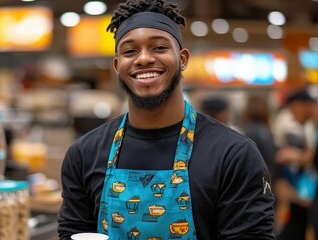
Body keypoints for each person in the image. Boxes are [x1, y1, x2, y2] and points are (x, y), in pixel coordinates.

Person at [57, 0, 275, 239]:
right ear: (118, 66)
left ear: (182, 59)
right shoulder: (84, 154)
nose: (143, 59)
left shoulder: (233, 155)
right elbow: (73, 233)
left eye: (159, 48)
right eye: (130, 51)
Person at [272, 89, 317, 240]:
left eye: (292, 111)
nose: (293, 117)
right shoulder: (310, 127)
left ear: (298, 105)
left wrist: (295, 156)